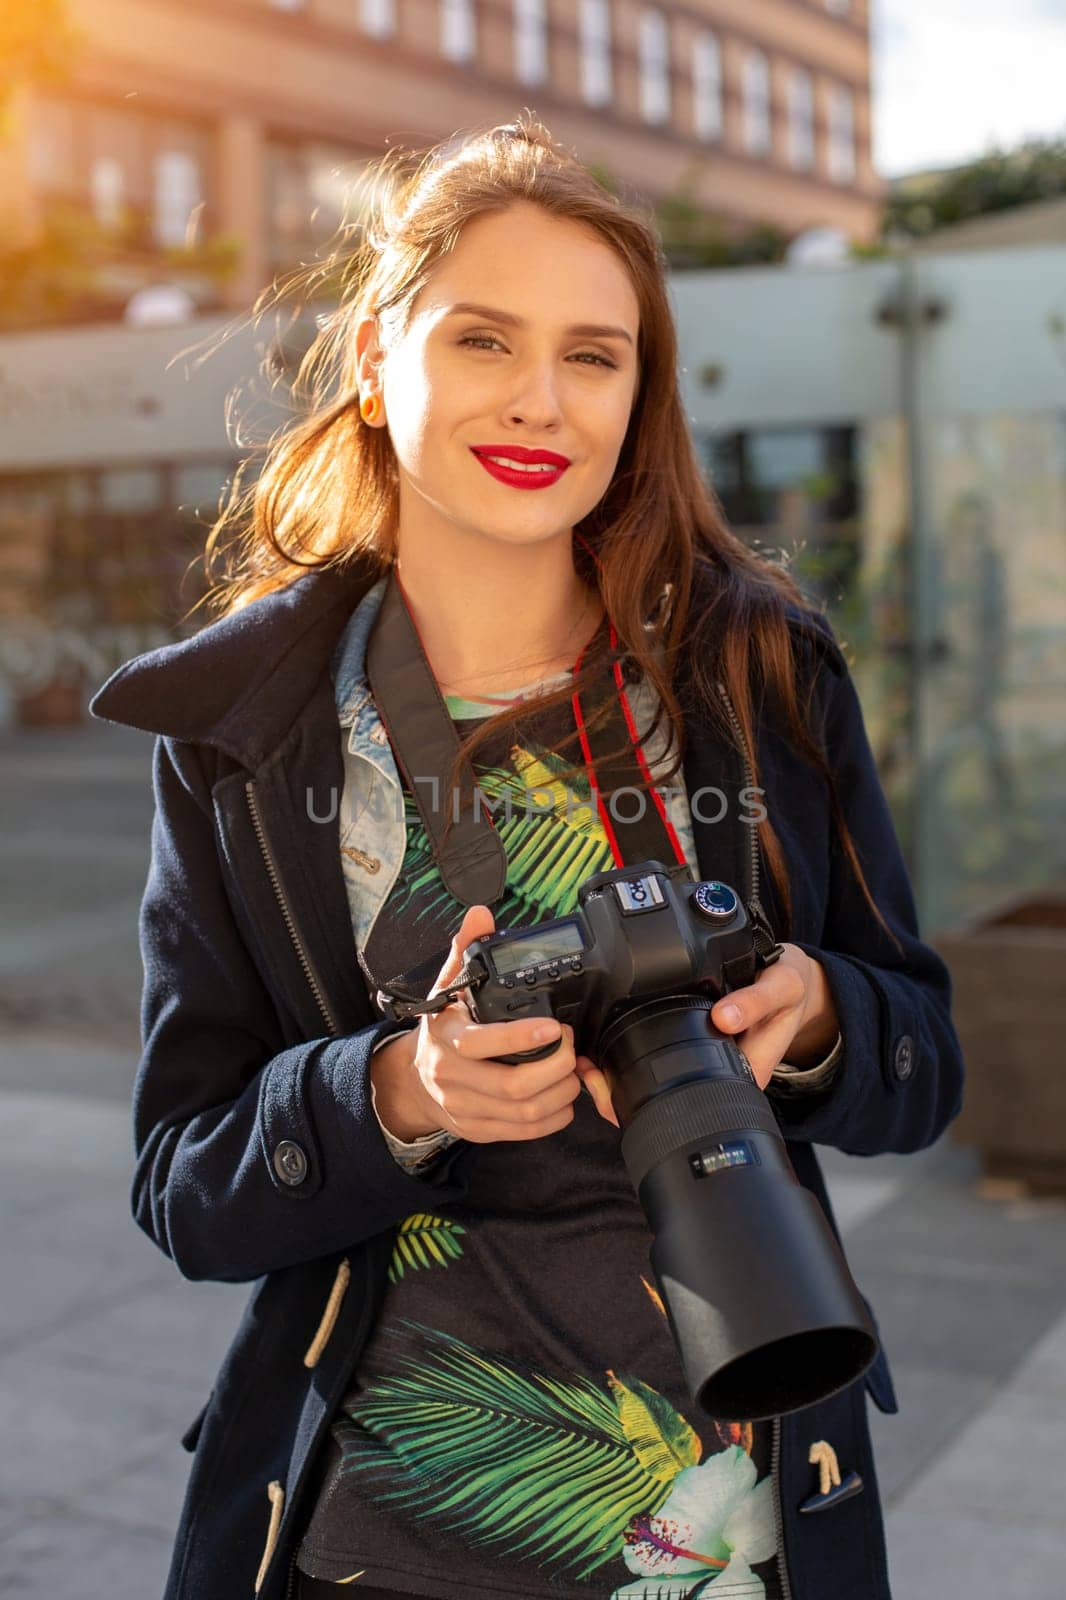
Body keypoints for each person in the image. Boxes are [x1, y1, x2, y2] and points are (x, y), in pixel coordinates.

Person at [89, 116, 964, 1600]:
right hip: (368, 1545)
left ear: (639, 394)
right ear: (374, 358)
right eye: (483, 340)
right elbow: (186, 1186)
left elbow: (918, 1063)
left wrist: (814, 1015)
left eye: (593, 355)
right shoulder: (243, 733)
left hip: (726, 1538)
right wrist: (395, 1092)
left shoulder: (756, 675)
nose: (539, 401)